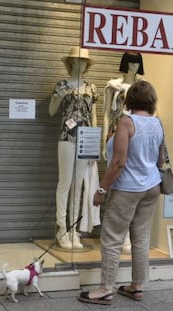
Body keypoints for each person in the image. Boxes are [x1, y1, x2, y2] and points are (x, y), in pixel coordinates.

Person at [78, 80, 164, 305]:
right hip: (151, 187)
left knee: (113, 238)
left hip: (127, 189)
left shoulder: (127, 122)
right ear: (151, 100)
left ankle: (105, 289)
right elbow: (160, 160)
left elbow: (118, 162)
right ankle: (137, 286)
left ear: (129, 99)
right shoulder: (157, 123)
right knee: (141, 237)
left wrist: (101, 189)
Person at [49, 46, 98, 249]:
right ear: (71, 63)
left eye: (84, 61)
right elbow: (52, 111)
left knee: (79, 184)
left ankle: (73, 229)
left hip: (86, 138)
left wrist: (95, 146)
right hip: (67, 136)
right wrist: (59, 96)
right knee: (65, 182)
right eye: (77, 60)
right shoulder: (62, 85)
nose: (81, 64)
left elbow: (94, 116)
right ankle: (61, 227)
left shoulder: (91, 88)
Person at [102, 52, 144, 254]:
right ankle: (117, 236)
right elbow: (107, 114)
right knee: (115, 185)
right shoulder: (113, 86)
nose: (134, 66)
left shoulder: (143, 88)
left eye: (137, 62)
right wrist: (103, 142)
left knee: (130, 186)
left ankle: (126, 236)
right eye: (131, 62)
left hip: (134, 138)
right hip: (114, 136)